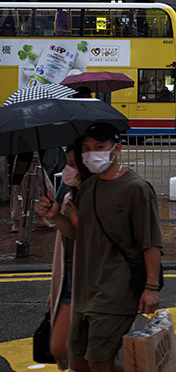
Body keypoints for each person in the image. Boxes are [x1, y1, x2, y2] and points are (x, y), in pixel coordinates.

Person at [37, 123, 163, 372]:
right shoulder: (89, 187)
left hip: (116, 289)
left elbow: (151, 242)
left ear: (116, 149)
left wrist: (151, 287)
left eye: (98, 147)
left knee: (99, 360)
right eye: (86, 148)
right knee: (78, 361)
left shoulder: (136, 188)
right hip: (85, 292)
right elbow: (80, 235)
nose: (91, 153)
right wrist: (57, 217)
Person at [45, 145, 83, 368]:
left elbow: (95, 239)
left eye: (74, 165)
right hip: (70, 278)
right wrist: (56, 215)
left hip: (95, 283)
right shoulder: (69, 195)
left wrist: (73, 216)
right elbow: (68, 241)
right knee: (61, 349)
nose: (67, 170)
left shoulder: (99, 195)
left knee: (91, 358)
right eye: (67, 164)